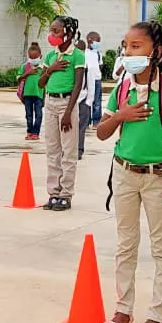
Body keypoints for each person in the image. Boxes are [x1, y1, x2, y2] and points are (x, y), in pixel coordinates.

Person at [96, 20, 162, 323]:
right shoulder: (122, 88)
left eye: (136, 46)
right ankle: (123, 311)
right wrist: (120, 115)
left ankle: (158, 318)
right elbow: (102, 132)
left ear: (156, 51)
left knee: (161, 247)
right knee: (126, 244)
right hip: (123, 174)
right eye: (126, 46)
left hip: (157, 178)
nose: (128, 52)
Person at [39, 15, 86, 211]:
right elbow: (41, 83)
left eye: (56, 31)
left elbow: (78, 84)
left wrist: (68, 112)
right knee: (52, 151)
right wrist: (50, 69)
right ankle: (53, 193)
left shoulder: (77, 55)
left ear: (68, 33)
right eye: (51, 30)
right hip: (50, 103)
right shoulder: (50, 56)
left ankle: (66, 193)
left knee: (69, 151)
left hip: (67, 103)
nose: (52, 34)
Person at [77, 31, 104, 160]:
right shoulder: (84, 55)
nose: (98, 43)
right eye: (96, 40)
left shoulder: (97, 54)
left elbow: (91, 83)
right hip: (76, 97)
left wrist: (88, 101)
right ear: (89, 40)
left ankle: (95, 121)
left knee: (97, 103)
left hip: (92, 83)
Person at [19, 42, 45, 140]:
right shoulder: (25, 67)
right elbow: (19, 78)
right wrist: (27, 73)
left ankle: (36, 133)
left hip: (39, 95)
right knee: (28, 115)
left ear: (40, 56)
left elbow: (45, 84)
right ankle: (29, 131)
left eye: (35, 57)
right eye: (31, 57)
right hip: (27, 95)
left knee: (38, 115)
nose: (33, 60)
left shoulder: (42, 69)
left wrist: (44, 98)